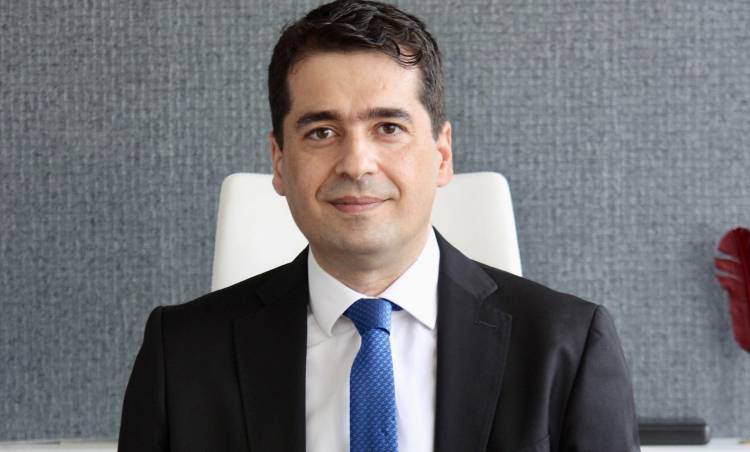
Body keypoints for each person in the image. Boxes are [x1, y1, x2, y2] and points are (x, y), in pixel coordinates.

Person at [118, 0, 640, 451]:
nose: (356, 164)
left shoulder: (568, 345)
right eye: (322, 132)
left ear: (441, 154)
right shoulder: (180, 354)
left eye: (388, 127)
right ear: (279, 161)